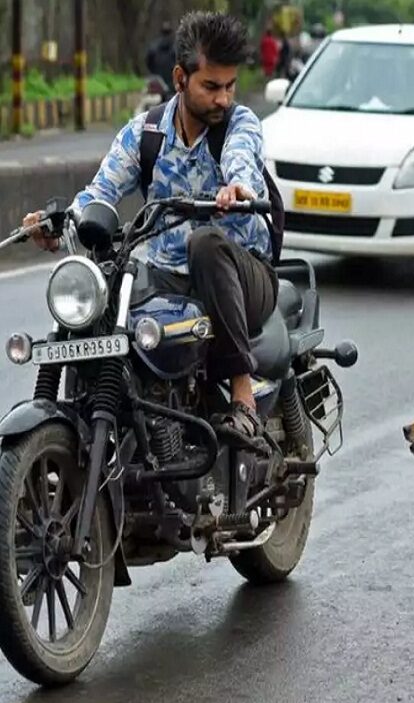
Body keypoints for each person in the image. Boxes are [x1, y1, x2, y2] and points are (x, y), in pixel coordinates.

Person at [23, 11, 277, 442]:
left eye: (229, 87)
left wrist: (238, 189)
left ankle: (241, 396)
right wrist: (56, 222)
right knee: (108, 282)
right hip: (165, 278)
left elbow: (242, 163)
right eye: (211, 86)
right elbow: (98, 195)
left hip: (241, 276)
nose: (223, 98)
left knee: (206, 242)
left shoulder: (239, 124)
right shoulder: (145, 133)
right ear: (180, 78)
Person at [145, 21, 177, 99]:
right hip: (171, 85)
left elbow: (148, 63)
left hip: (157, 84)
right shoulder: (175, 48)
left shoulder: (153, 47)